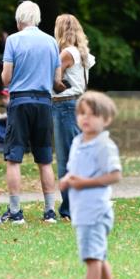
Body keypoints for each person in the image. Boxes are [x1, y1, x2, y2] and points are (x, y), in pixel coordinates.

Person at [55, 91, 122, 279]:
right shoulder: (77, 141)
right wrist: (67, 179)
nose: (86, 118)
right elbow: (75, 170)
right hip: (81, 210)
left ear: (106, 119)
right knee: (99, 256)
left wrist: (86, 183)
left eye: (93, 115)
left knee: (92, 258)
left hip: (96, 210)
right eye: (82, 113)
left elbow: (114, 175)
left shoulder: (104, 146)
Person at [0, 1, 61, 223]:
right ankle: (49, 211)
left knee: (14, 159)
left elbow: (6, 78)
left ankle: (15, 212)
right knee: (44, 159)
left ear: (19, 20)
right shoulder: (51, 42)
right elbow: (57, 79)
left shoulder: (13, 41)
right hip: (44, 103)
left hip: (20, 102)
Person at [52, 14, 96, 221]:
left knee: (66, 158)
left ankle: (70, 208)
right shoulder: (82, 52)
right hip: (79, 104)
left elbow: (55, 80)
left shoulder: (66, 54)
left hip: (65, 106)